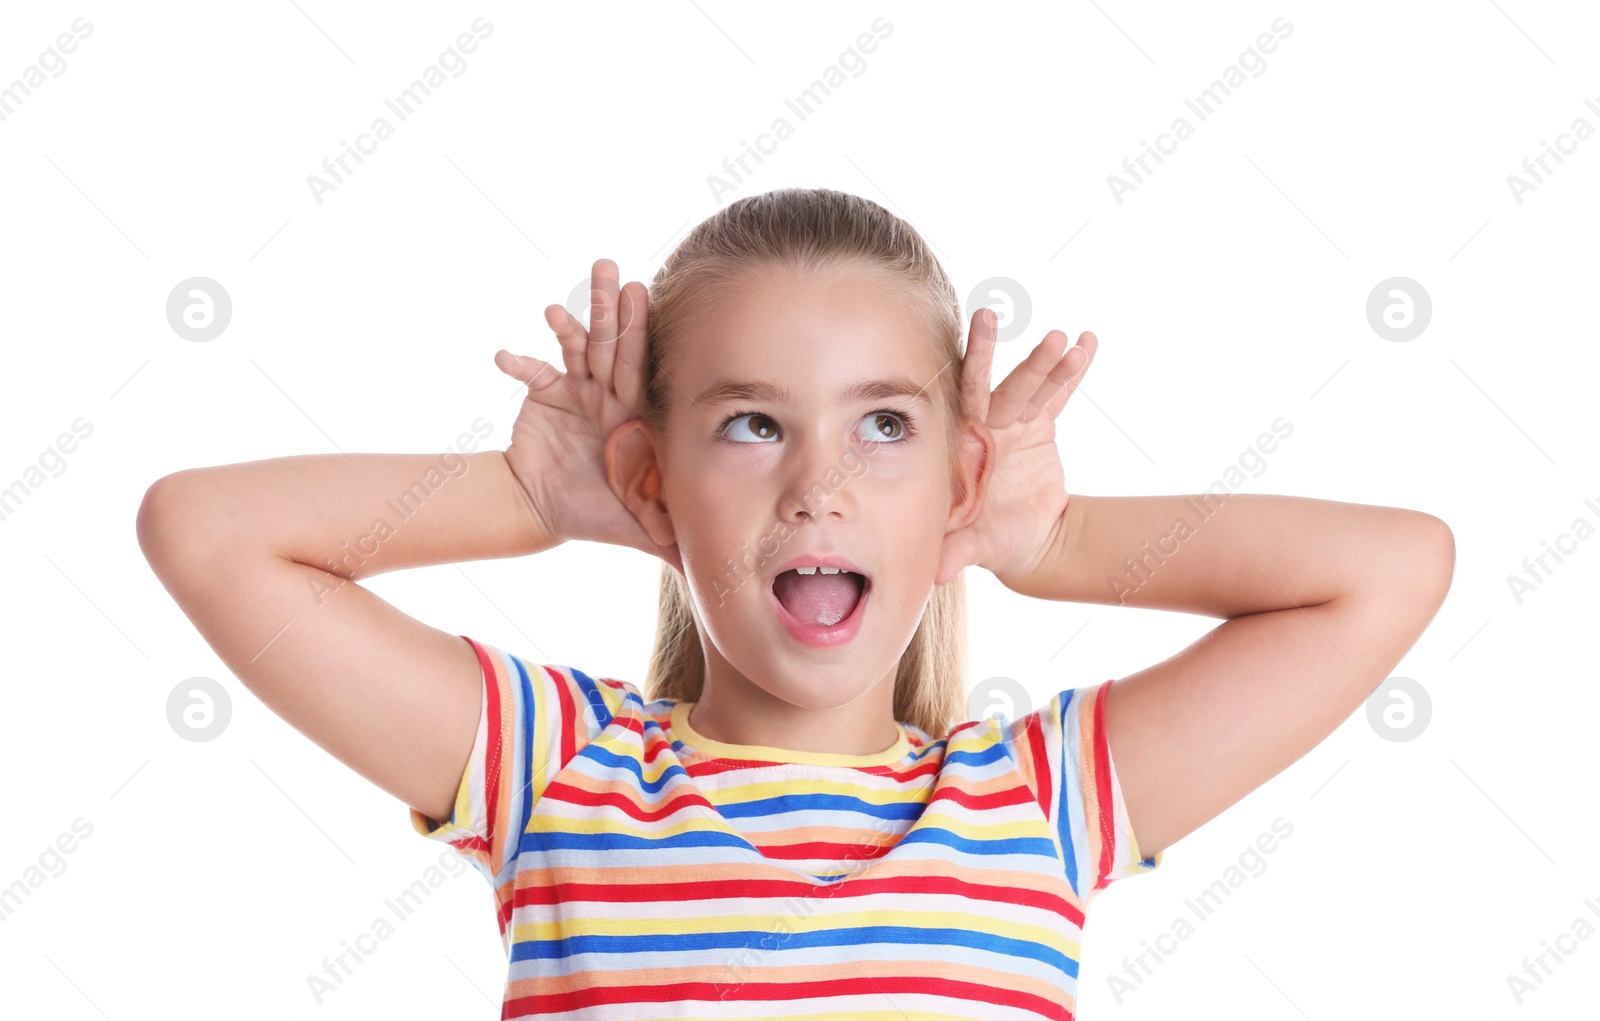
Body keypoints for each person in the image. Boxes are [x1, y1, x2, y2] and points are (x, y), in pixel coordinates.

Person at [136, 187, 1455, 1019]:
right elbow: (205, 532)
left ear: (958, 476)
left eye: (885, 425)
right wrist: (539, 491)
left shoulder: (1042, 799)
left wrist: (1048, 537)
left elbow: (1389, 571)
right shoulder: (559, 770)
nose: (819, 485)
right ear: (657, 477)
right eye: (754, 423)